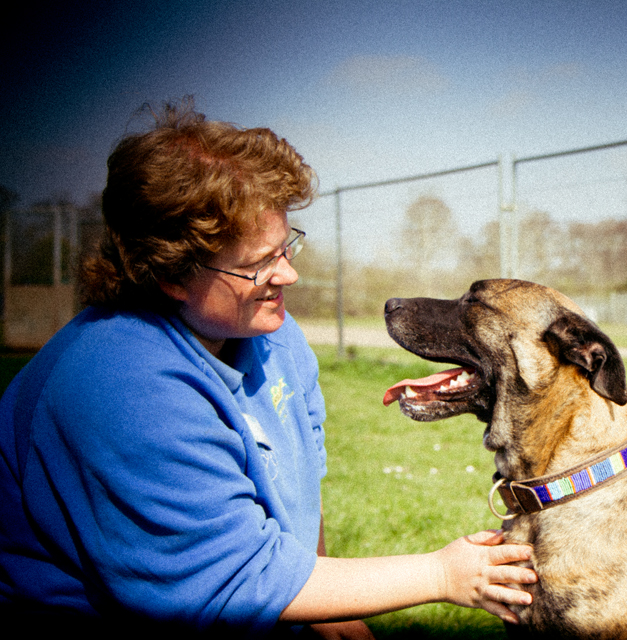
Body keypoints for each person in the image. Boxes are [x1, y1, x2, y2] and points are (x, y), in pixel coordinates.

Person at [0, 101, 536, 638]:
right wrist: (440, 574)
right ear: (169, 274)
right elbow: (234, 582)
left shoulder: (273, 336)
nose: (290, 275)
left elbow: (299, 497)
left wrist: (338, 612)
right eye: (258, 264)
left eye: (286, 247)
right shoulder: (120, 388)